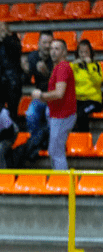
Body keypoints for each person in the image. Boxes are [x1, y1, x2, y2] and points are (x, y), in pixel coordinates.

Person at [31, 39, 77, 170]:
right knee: (54, 151)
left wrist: (41, 96)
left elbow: (59, 93)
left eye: (57, 49)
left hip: (62, 116)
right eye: (51, 48)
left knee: (56, 153)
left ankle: (62, 185)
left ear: (64, 52)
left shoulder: (62, 67)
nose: (53, 52)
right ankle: (59, 181)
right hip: (58, 115)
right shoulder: (58, 67)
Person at [22, 30, 54, 161]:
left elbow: (61, 83)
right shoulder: (32, 57)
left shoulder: (57, 57)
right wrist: (24, 69)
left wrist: (47, 73)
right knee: (30, 113)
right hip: (40, 97)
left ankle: (50, 143)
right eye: (44, 42)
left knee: (49, 114)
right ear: (39, 44)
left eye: (50, 43)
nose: (47, 46)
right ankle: (36, 144)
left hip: (54, 98)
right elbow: (26, 80)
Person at [71, 39, 102, 132]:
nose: (83, 55)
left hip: (93, 101)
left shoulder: (96, 65)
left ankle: (83, 139)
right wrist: (72, 66)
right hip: (78, 100)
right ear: (77, 53)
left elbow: (98, 81)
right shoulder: (74, 66)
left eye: (86, 52)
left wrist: (89, 66)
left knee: (81, 114)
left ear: (90, 53)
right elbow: (66, 81)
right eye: (81, 52)